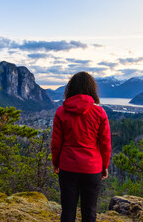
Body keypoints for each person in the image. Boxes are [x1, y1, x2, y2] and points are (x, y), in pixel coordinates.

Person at [51, 72, 111, 222]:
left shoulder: (61, 112)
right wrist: (105, 165)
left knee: (68, 211)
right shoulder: (100, 112)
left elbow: (56, 143)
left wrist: (56, 163)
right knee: (90, 212)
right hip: (92, 168)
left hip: (68, 167)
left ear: (70, 89)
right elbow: (105, 143)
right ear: (92, 89)